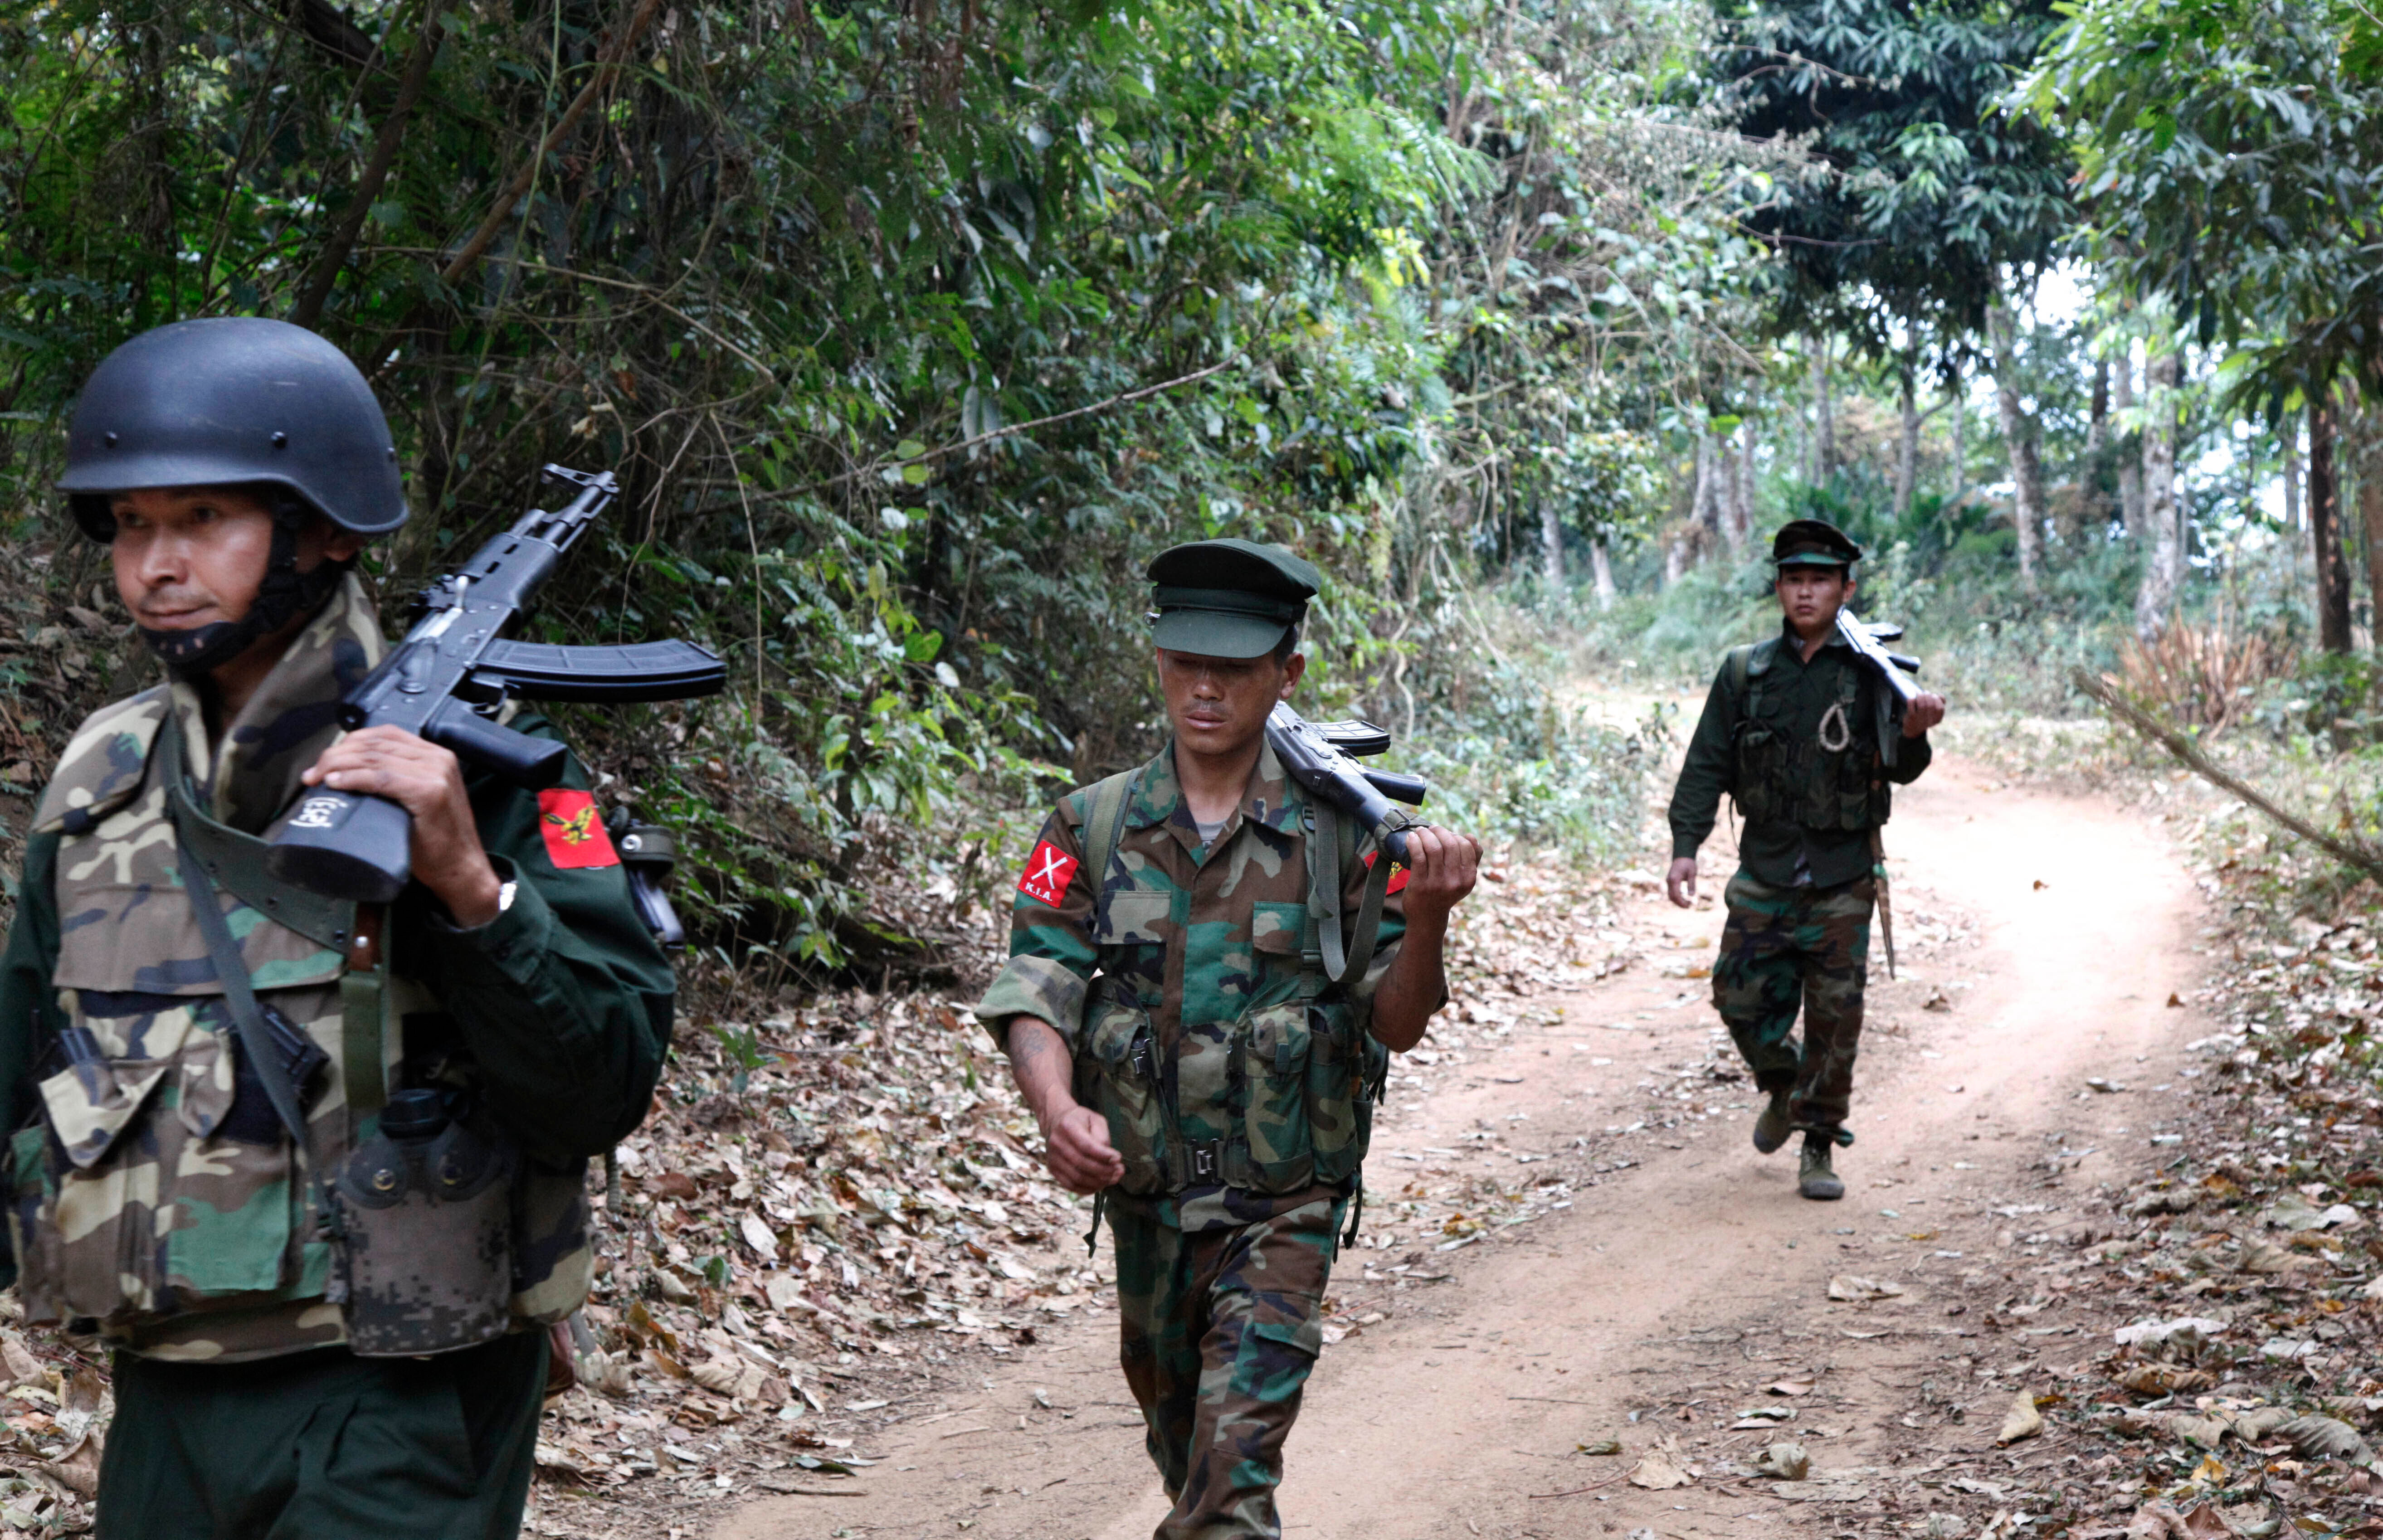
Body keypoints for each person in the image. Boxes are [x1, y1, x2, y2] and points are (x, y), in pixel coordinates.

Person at [0, 317, 675, 1538]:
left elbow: (602, 1081)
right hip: (163, 1389)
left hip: (402, 1385)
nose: (159, 562)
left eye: (203, 519)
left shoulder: (484, 771)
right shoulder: (100, 780)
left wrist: (470, 881)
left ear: (324, 530)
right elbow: (20, 1062)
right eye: (134, 525)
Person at [976, 539, 1479, 1540]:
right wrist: (1056, 1104)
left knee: (1230, 1490)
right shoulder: (1089, 824)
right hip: (1149, 1206)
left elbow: (1399, 1022)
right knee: (1189, 1468)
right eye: (1185, 660)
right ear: (1156, 659)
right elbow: (1036, 977)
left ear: (1287, 671)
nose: (1205, 688)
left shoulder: (1348, 834)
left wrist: (1427, 919)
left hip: (1282, 1204)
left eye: (1236, 667)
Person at [1664, 518, 1946, 1201]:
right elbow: (1707, 762)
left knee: (1834, 1019)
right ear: (1780, 588)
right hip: (1764, 869)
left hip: (1842, 875)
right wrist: (1685, 845)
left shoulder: (1875, 673)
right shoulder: (1746, 671)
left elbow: (1904, 767)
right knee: (1737, 996)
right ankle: (1784, 1084)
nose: (1807, 592)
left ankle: (1818, 1143)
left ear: (1847, 588)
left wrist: (1914, 732)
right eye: (1795, 579)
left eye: (1821, 579)